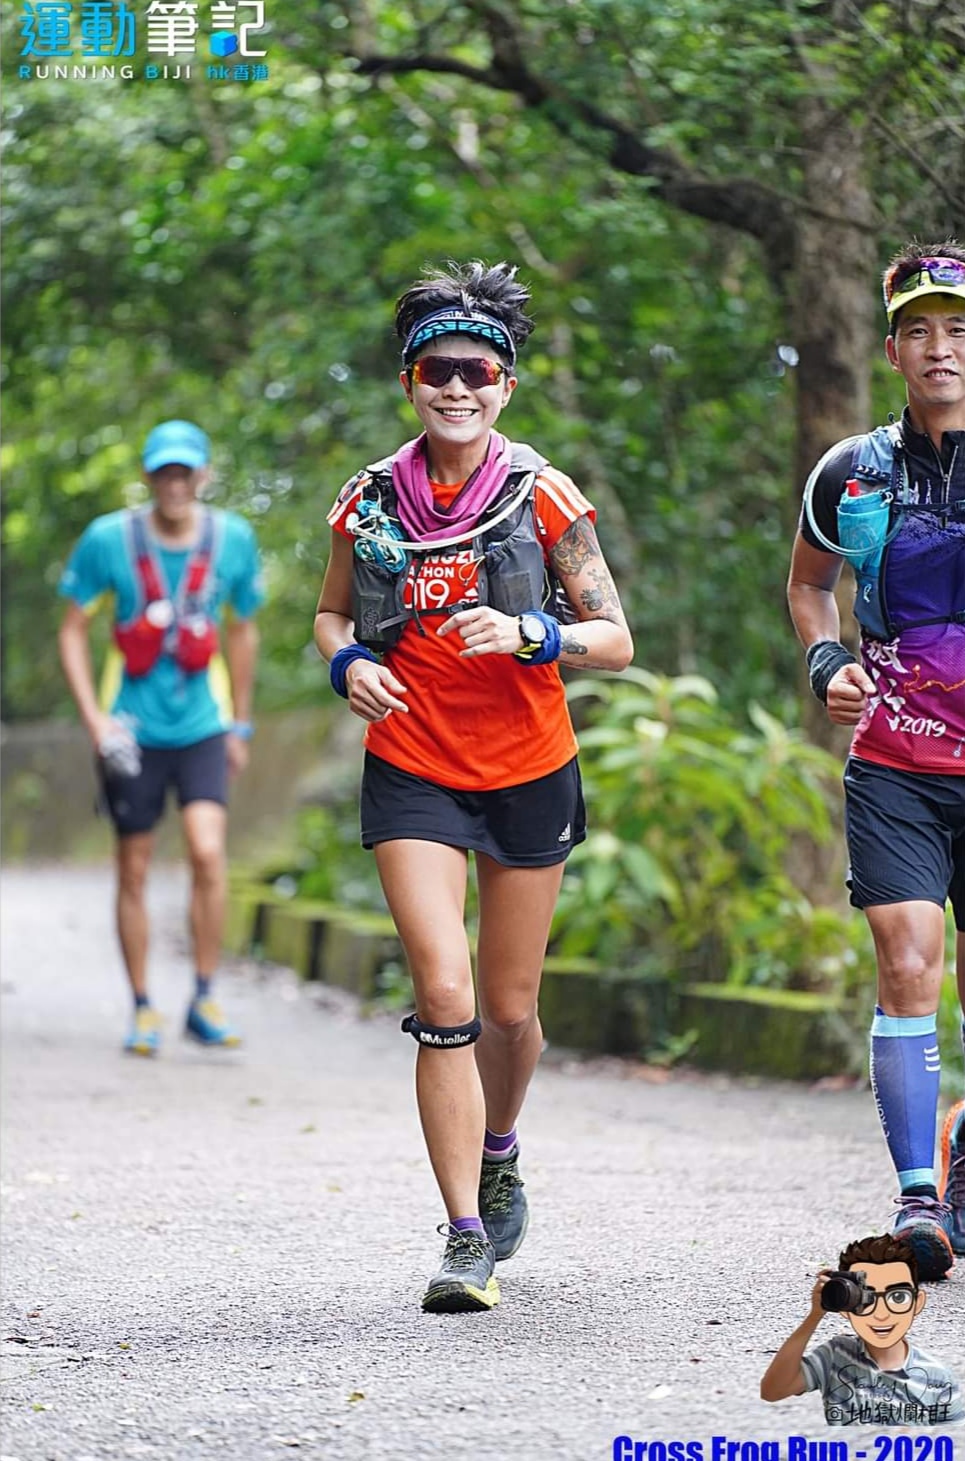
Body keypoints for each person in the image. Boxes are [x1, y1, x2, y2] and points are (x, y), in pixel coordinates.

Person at [313, 260, 633, 1314]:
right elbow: (329, 616)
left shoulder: (540, 496)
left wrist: (535, 631)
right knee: (443, 998)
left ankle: (500, 1153)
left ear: (504, 385)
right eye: (437, 370)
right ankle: (461, 1237)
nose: (457, 387)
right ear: (409, 382)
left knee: (507, 1007)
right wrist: (347, 664)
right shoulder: (365, 500)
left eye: (478, 371)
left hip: (527, 771)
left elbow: (614, 639)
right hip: (411, 764)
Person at [787, 242, 965, 1282]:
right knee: (905, 963)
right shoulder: (849, 470)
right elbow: (807, 586)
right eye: (920, 330)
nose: (939, 347)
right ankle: (915, 1200)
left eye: (957, 329)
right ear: (892, 348)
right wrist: (824, 664)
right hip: (893, 759)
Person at [58, 419, 264, 1057]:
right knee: (135, 866)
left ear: (201, 475)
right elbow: (71, 629)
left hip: (204, 725)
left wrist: (241, 722)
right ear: (149, 477)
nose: (174, 483)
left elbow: (243, 631)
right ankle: (143, 1005)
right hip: (134, 731)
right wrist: (95, 719)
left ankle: (203, 995)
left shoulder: (233, 539)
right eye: (163, 472)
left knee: (207, 852)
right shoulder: (107, 541)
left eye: (185, 471)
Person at [760, 1233, 964, 1425]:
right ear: (844, 1307)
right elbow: (773, 1391)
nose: (882, 1314)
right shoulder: (836, 1356)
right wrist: (815, 1315)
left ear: (917, 1303)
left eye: (898, 1297)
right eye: (867, 1299)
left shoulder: (936, 1377)